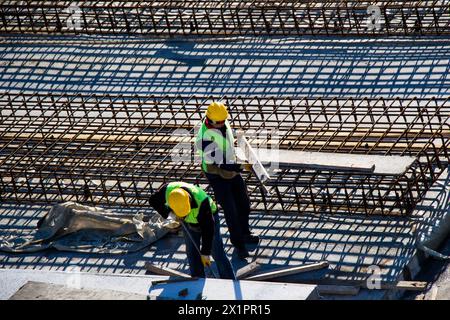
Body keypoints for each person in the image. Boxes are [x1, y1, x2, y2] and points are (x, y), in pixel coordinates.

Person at [195, 101, 259, 259]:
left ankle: (245, 233)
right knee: (231, 210)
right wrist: (242, 166)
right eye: (220, 122)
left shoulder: (221, 120)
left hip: (230, 167)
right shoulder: (205, 138)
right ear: (210, 120)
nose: (223, 123)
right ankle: (239, 245)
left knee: (243, 203)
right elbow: (222, 162)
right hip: (217, 174)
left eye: (225, 120)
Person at [149, 181, 236, 279]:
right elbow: (153, 201)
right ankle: (197, 278)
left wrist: (205, 253)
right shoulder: (167, 191)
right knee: (192, 251)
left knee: (217, 251)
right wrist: (170, 214)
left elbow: (208, 231)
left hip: (209, 219)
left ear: (189, 201)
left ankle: (228, 279)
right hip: (188, 222)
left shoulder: (202, 202)